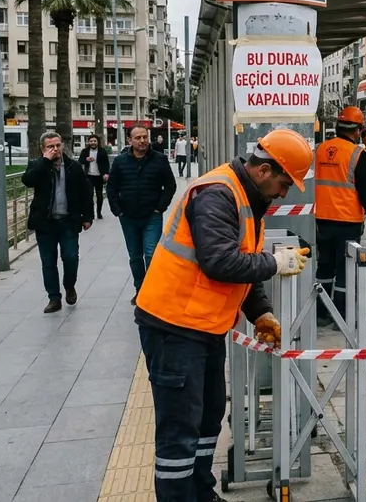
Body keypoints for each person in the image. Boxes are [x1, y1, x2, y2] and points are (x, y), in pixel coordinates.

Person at [135, 128, 314, 502]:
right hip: (174, 326)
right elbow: (220, 261)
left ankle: (202, 494)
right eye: (284, 184)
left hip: (204, 326)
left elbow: (243, 257)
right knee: (180, 430)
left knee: (207, 417)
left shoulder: (246, 198)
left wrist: (261, 312)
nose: (284, 193)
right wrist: (275, 262)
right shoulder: (217, 193)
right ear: (265, 170)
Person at [315, 107, 366, 327]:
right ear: (358, 130)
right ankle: (341, 315)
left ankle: (321, 312)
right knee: (345, 270)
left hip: (322, 219)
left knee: (324, 266)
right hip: (347, 221)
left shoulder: (321, 149)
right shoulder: (357, 154)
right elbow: (365, 191)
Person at [22, 131, 94, 313]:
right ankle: (54, 298)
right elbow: (28, 181)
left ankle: (69, 285)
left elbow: (85, 193)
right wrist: (45, 161)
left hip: (68, 221)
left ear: (62, 146)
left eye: (57, 145)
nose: (55, 149)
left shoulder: (73, 167)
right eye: (50, 147)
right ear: (43, 149)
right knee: (48, 262)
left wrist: (87, 217)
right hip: (45, 223)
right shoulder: (37, 166)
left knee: (70, 257)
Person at [108, 124, 178, 304]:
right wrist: (118, 210)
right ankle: (140, 289)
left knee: (152, 254)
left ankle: (152, 291)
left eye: (145, 137)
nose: (142, 141)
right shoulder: (120, 161)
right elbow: (111, 187)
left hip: (151, 216)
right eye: (138, 138)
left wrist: (160, 207)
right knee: (135, 257)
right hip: (128, 216)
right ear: (130, 140)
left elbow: (170, 186)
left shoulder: (159, 160)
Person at [77, 133, 110, 219]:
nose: (93, 143)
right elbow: (80, 161)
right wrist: (86, 160)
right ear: (89, 142)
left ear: (97, 142)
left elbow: (106, 163)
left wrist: (106, 173)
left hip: (99, 176)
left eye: (94, 141)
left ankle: (99, 212)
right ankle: (90, 213)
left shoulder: (102, 151)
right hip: (89, 176)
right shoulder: (85, 151)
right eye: (91, 141)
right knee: (89, 196)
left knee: (99, 196)